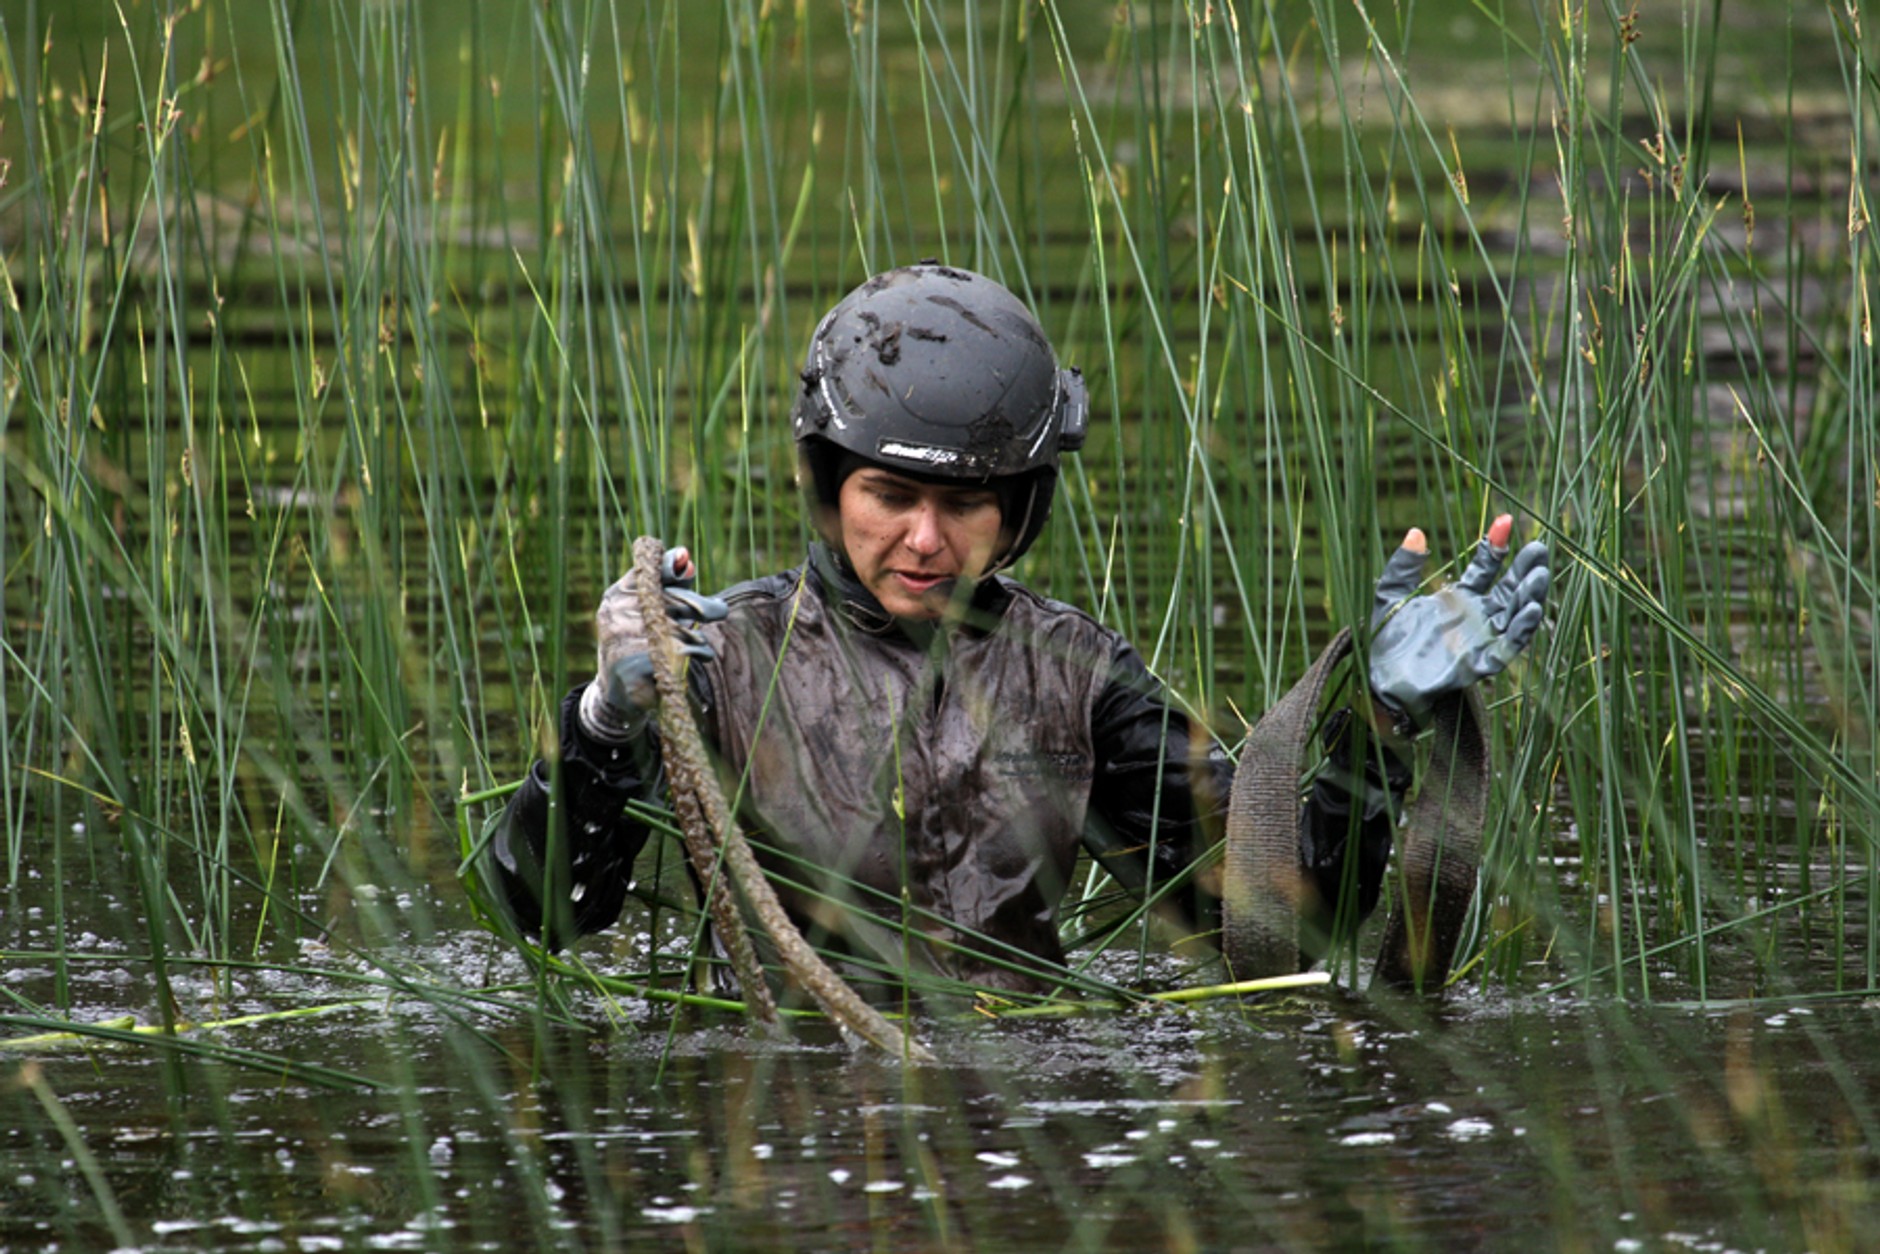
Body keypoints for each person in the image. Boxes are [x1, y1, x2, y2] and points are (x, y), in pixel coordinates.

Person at [486, 263, 1550, 998]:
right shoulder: (719, 657)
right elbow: (543, 917)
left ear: (1020, 509)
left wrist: (1374, 725)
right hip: (784, 1111)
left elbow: (1276, 925)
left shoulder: (1080, 680)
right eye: (886, 496)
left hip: (1020, 1112)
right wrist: (603, 723)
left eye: (964, 505)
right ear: (827, 487)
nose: (921, 539)